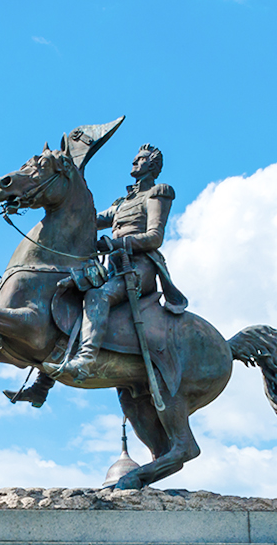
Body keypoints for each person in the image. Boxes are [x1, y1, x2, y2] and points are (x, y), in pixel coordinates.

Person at [59, 143, 188, 381]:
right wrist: (68, 188)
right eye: (135, 158)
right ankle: (42, 383)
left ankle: (85, 360)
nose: (134, 162)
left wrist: (116, 244)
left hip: (140, 267)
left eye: (140, 159)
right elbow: (90, 219)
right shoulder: (122, 202)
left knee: (98, 296)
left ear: (153, 165)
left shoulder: (158, 192)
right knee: (69, 294)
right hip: (114, 269)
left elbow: (155, 237)